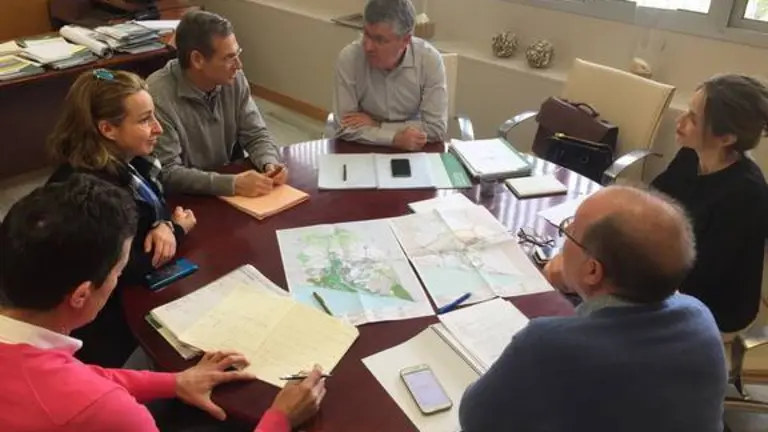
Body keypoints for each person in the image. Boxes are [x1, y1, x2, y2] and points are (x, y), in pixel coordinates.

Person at [0, 174, 327, 432]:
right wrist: (280, 418)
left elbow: (78, 377)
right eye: (118, 271)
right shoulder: (111, 412)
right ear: (81, 295)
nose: (118, 279)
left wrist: (175, 381)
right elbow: (87, 395)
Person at [459, 186, 726, 432]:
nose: (564, 237)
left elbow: (475, 420)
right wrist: (579, 282)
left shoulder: (545, 344)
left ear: (593, 270)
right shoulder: (700, 316)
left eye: (571, 231)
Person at [47, 68, 196, 367]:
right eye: (145, 120)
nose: (158, 128)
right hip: (100, 325)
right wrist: (177, 231)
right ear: (108, 129)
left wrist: (164, 224)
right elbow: (127, 267)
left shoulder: (130, 162)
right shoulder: (93, 194)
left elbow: (154, 204)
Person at [651, 74, 768, 335]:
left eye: (693, 118)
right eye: (687, 109)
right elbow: (654, 200)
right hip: (673, 272)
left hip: (712, 306)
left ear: (726, 138)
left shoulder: (745, 194)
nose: (680, 120)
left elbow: (704, 276)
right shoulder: (691, 154)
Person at [148, 10, 287, 197]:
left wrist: (269, 163)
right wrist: (231, 184)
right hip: (186, 200)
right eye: (228, 57)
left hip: (228, 189)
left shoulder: (234, 79)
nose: (239, 65)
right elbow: (167, 172)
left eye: (237, 53)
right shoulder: (157, 96)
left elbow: (255, 134)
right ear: (197, 60)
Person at [333, 0, 447, 150]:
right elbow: (345, 127)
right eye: (366, 34)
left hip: (414, 146)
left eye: (379, 40)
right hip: (362, 148)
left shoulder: (429, 60)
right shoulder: (349, 58)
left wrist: (378, 125)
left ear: (405, 40)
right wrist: (394, 138)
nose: (368, 46)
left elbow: (435, 128)